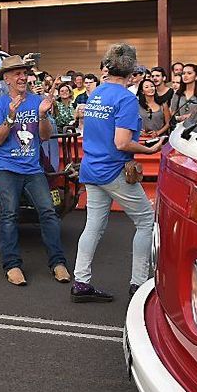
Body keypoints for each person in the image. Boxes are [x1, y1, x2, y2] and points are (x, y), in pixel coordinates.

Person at [71, 43, 162, 303]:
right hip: (112, 170)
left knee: (94, 226)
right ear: (133, 73)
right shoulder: (126, 99)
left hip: (91, 167)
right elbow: (122, 143)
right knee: (146, 221)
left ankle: (81, 281)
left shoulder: (97, 93)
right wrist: (149, 148)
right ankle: (138, 284)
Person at [0, 54, 69, 286]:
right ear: (7, 80)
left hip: (32, 168)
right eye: (17, 73)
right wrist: (11, 118)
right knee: (9, 215)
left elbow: (44, 136)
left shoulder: (37, 102)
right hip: (5, 168)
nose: (22, 76)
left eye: (24, 72)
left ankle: (57, 263)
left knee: (48, 212)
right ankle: (12, 265)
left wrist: (43, 115)